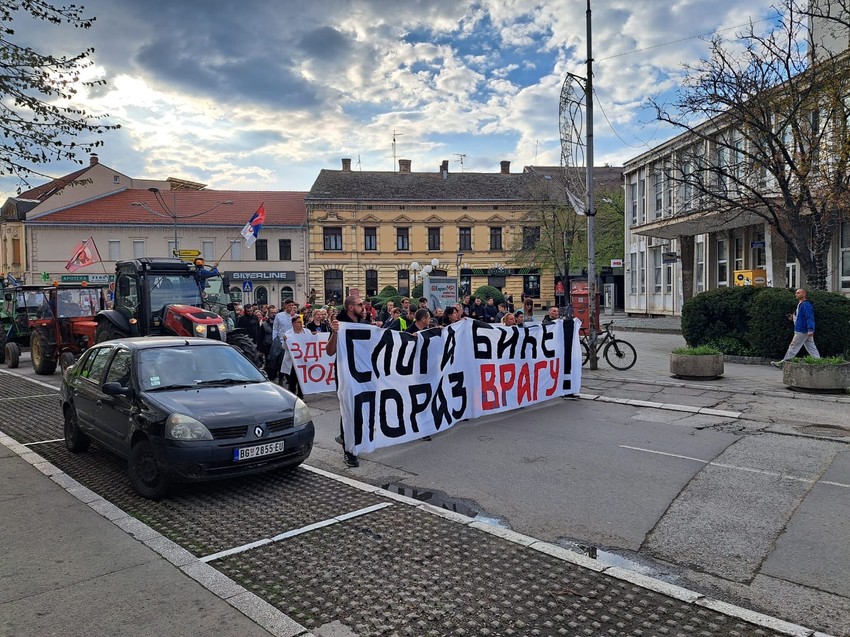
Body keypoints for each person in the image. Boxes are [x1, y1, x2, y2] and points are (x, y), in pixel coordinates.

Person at [326, 296, 366, 467]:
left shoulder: (363, 323)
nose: (364, 307)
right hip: (345, 374)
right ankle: (349, 452)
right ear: (350, 307)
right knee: (349, 411)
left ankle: (351, 440)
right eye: (360, 305)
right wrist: (334, 333)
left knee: (360, 411)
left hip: (362, 374)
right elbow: (329, 351)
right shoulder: (339, 323)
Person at [772, 288, 820, 367]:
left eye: (798, 293)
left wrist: (810, 329)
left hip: (802, 330)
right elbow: (801, 317)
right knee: (811, 347)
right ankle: (819, 362)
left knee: (793, 346)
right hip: (804, 329)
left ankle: (784, 363)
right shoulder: (801, 304)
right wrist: (793, 318)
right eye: (796, 293)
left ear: (804, 294)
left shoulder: (806, 304)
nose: (796, 294)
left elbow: (809, 317)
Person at [280, 315, 306, 398]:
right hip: (292, 360)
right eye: (298, 322)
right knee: (292, 379)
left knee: (301, 378)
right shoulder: (288, 334)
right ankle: (292, 395)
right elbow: (284, 347)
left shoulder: (306, 332)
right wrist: (285, 340)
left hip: (303, 359)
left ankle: (301, 395)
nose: (300, 324)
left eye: (301, 322)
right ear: (293, 323)